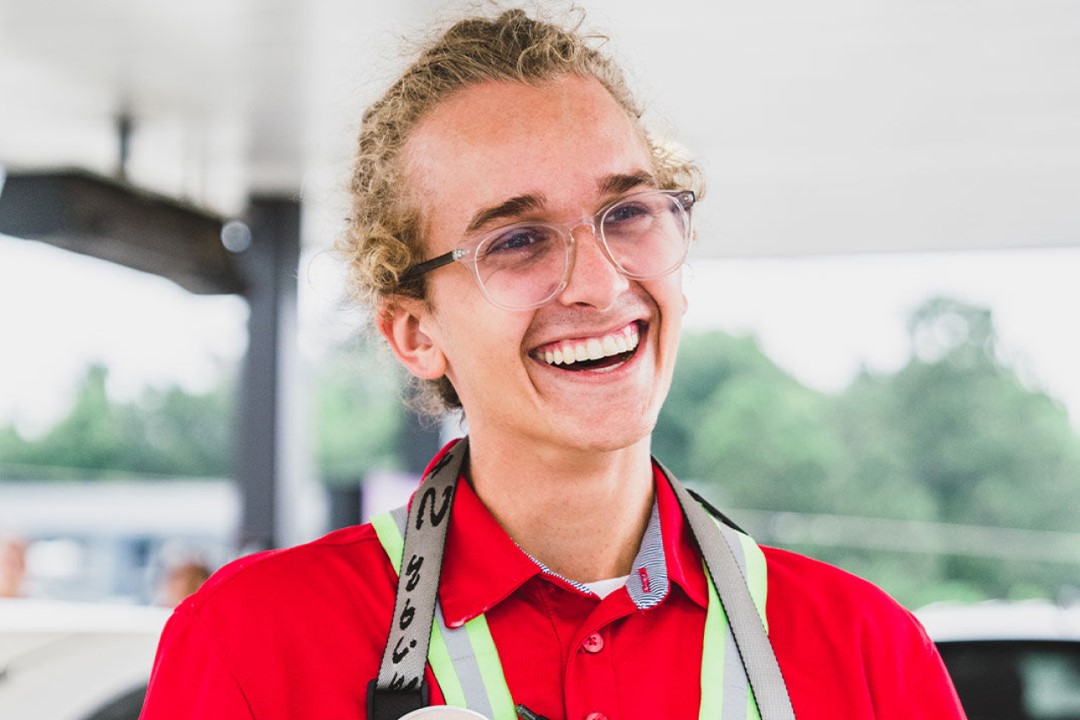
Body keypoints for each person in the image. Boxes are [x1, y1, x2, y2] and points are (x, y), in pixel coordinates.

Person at [140, 7, 966, 720]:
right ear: (415, 332)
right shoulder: (252, 645)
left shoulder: (867, 651)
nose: (600, 283)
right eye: (518, 240)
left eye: (627, 212)